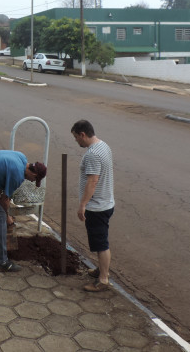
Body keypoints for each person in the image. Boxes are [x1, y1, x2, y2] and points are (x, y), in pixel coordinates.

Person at [71, 119, 115, 292]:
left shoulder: (92, 154)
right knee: (99, 241)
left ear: (83, 134)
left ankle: (103, 279)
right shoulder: (103, 146)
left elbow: (93, 181)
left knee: (101, 243)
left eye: (76, 137)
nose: (76, 141)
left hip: (97, 206)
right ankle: (100, 270)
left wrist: (82, 205)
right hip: (106, 202)